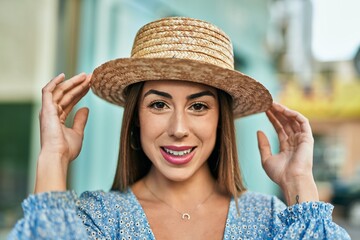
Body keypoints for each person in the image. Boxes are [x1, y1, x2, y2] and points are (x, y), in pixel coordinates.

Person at [9, 17, 349, 239]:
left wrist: (299, 183)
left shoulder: (271, 221)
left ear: (220, 119)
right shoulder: (96, 218)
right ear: (136, 117)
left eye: (199, 106)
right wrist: (53, 157)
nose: (178, 128)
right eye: (159, 104)